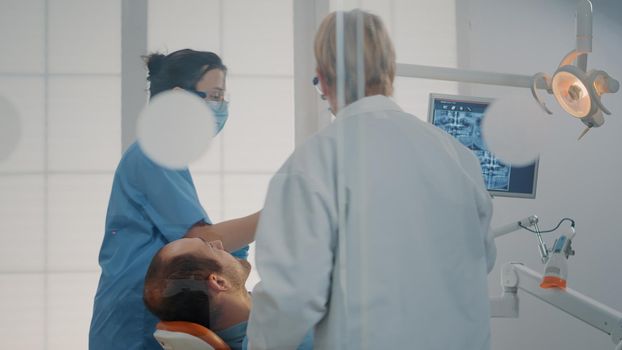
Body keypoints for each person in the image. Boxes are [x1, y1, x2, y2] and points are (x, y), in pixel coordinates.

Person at [246, 9, 496, 350]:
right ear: (389, 71)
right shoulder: (457, 155)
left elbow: (290, 300)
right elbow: (483, 258)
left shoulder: (313, 164)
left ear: (323, 78)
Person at [89, 49, 258, 350]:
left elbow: (205, 244)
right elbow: (202, 238)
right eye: (215, 95)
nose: (222, 106)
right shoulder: (153, 154)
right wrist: (279, 215)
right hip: (135, 320)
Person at [143, 238, 313, 350]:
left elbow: (236, 255)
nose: (218, 242)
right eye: (210, 247)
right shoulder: (284, 334)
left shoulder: (254, 324)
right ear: (218, 282)